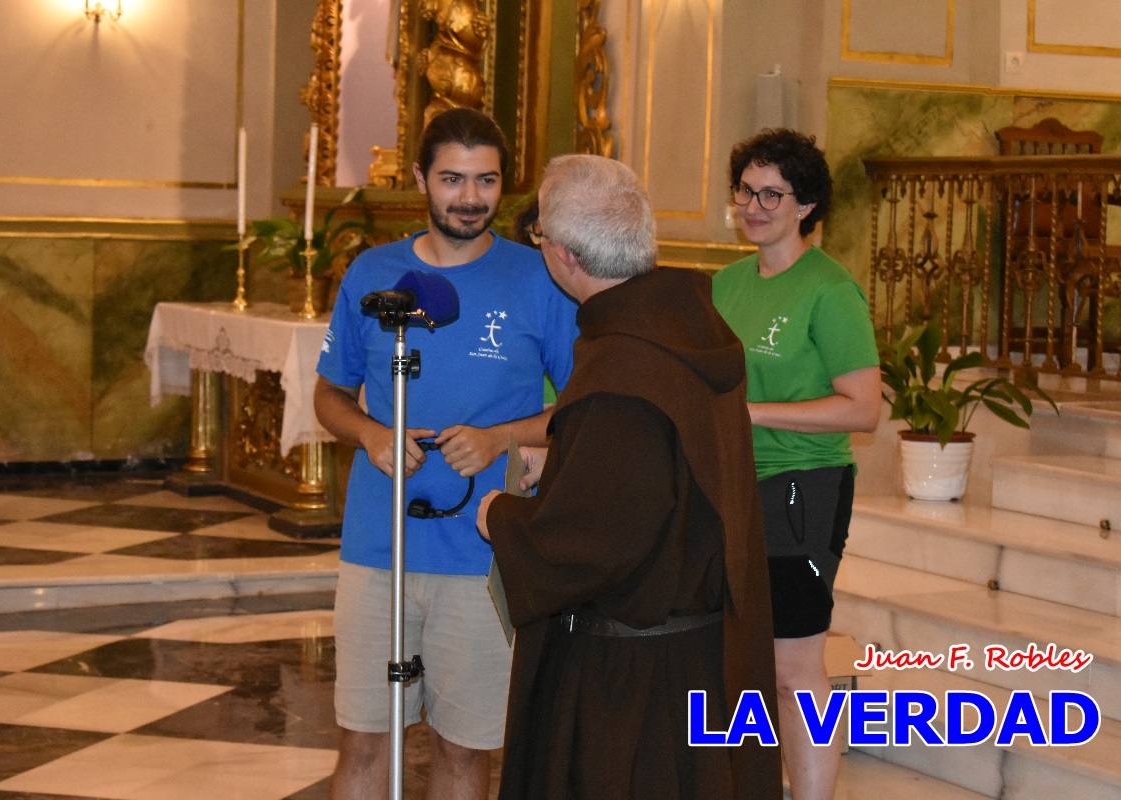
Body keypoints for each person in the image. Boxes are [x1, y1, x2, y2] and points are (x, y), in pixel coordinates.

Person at [477, 154, 780, 800]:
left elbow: (590, 545)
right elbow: (663, 479)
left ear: (563, 257)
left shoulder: (621, 367)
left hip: (632, 687)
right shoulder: (696, 330)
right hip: (700, 657)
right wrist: (569, 462)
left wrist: (501, 516)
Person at [313, 108, 578, 800]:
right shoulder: (375, 273)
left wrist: (501, 438)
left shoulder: (538, 278)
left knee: (465, 750)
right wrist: (370, 433)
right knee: (364, 741)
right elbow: (328, 395)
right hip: (380, 545)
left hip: (485, 546)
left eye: (485, 180)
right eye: (453, 179)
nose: (469, 198)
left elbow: (584, 411)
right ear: (422, 181)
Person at [712, 129, 880, 800]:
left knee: (793, 665)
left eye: (771, 194)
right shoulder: (725, 283)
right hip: (731, 486)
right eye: (746, 191)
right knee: (741, 662)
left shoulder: (830, 290)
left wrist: (757, 414)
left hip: (803, 489)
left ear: (806, 203)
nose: (754, 206)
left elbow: (863, 408)